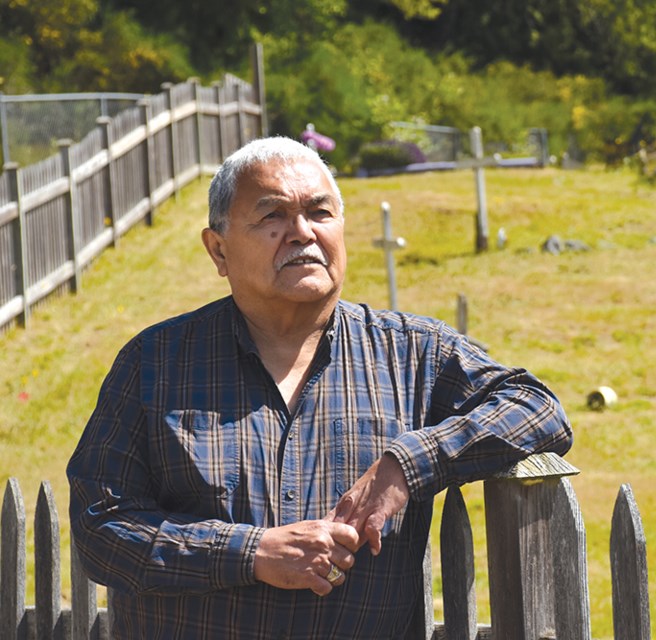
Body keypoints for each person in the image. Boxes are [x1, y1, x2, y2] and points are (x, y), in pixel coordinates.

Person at [67, 136, 572, 639]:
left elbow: (538, 408)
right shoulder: (156, 364)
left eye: (320, 212)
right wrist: (251, 554)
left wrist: (410, 462)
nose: (302, 233)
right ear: (218, 249)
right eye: (272, 217)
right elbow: (101, 529)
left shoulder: (413, 355)